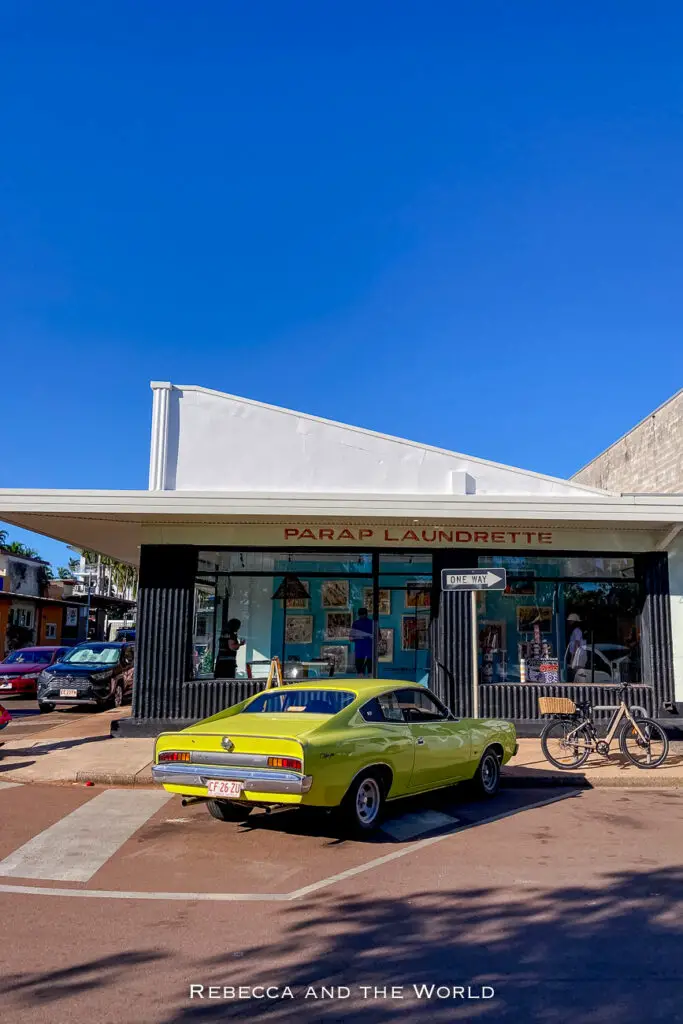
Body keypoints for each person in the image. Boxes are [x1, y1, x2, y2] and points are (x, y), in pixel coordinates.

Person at [351, 607, 373, 676]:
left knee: (360, 674)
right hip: (370, 651)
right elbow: (379, 637)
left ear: (358, 614)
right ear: (367, 614)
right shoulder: (372, 623)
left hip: (359, 652)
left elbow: (351, 638)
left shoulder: (355, 623)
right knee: (371, 673)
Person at [567, 613, 586, 681]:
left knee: (575, 671)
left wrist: (573, 657)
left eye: (571, 621)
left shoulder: (577, 631)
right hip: (576, 654)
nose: (569, 622)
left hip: (577, 655)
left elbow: (577, 644)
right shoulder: (575, 631)